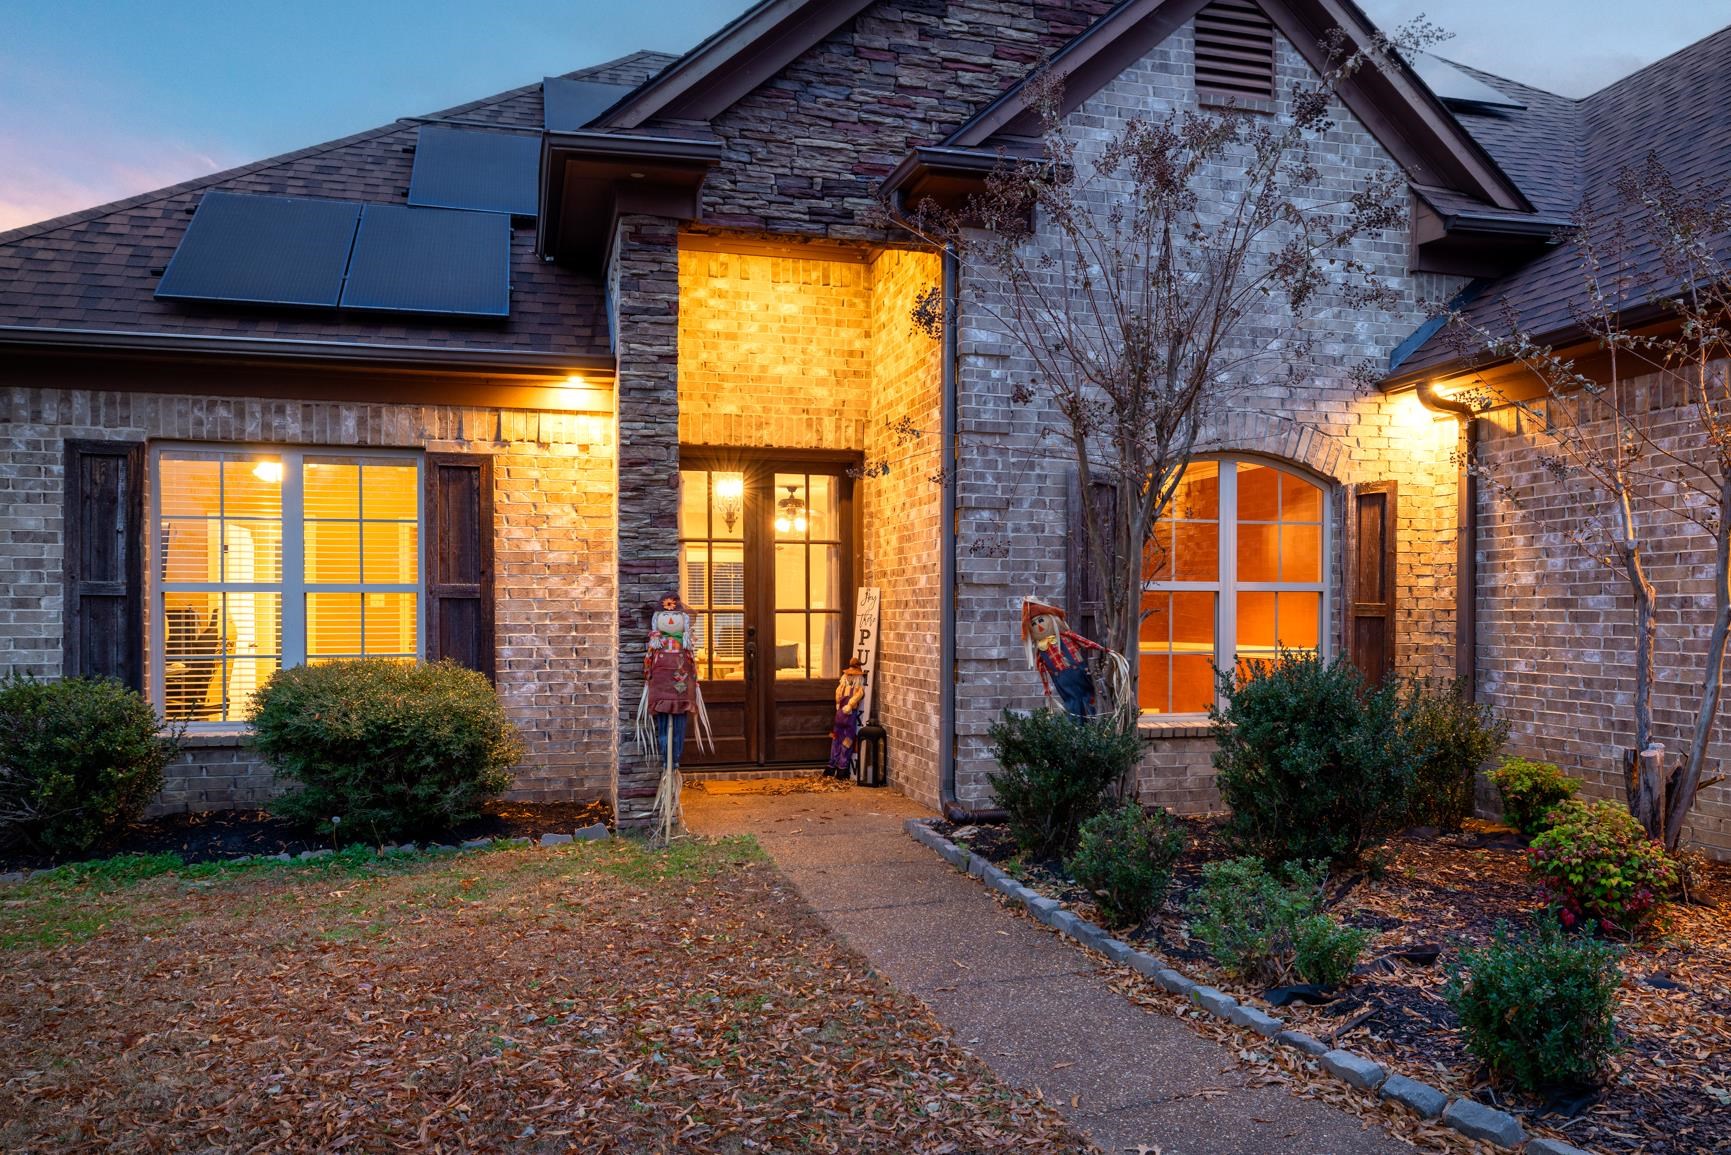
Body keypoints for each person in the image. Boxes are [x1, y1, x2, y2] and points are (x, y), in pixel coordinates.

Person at [827, 658, 867, 777]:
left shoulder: (858, 688)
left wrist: (850, 704)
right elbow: (838, 693)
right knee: (836, 739)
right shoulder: (842, 685)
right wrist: (838, 704)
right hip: (840, 716)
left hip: (849, 717)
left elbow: (858, 696)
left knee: (847, 742)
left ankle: (842, 769)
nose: (850, 677)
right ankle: (831, 766)